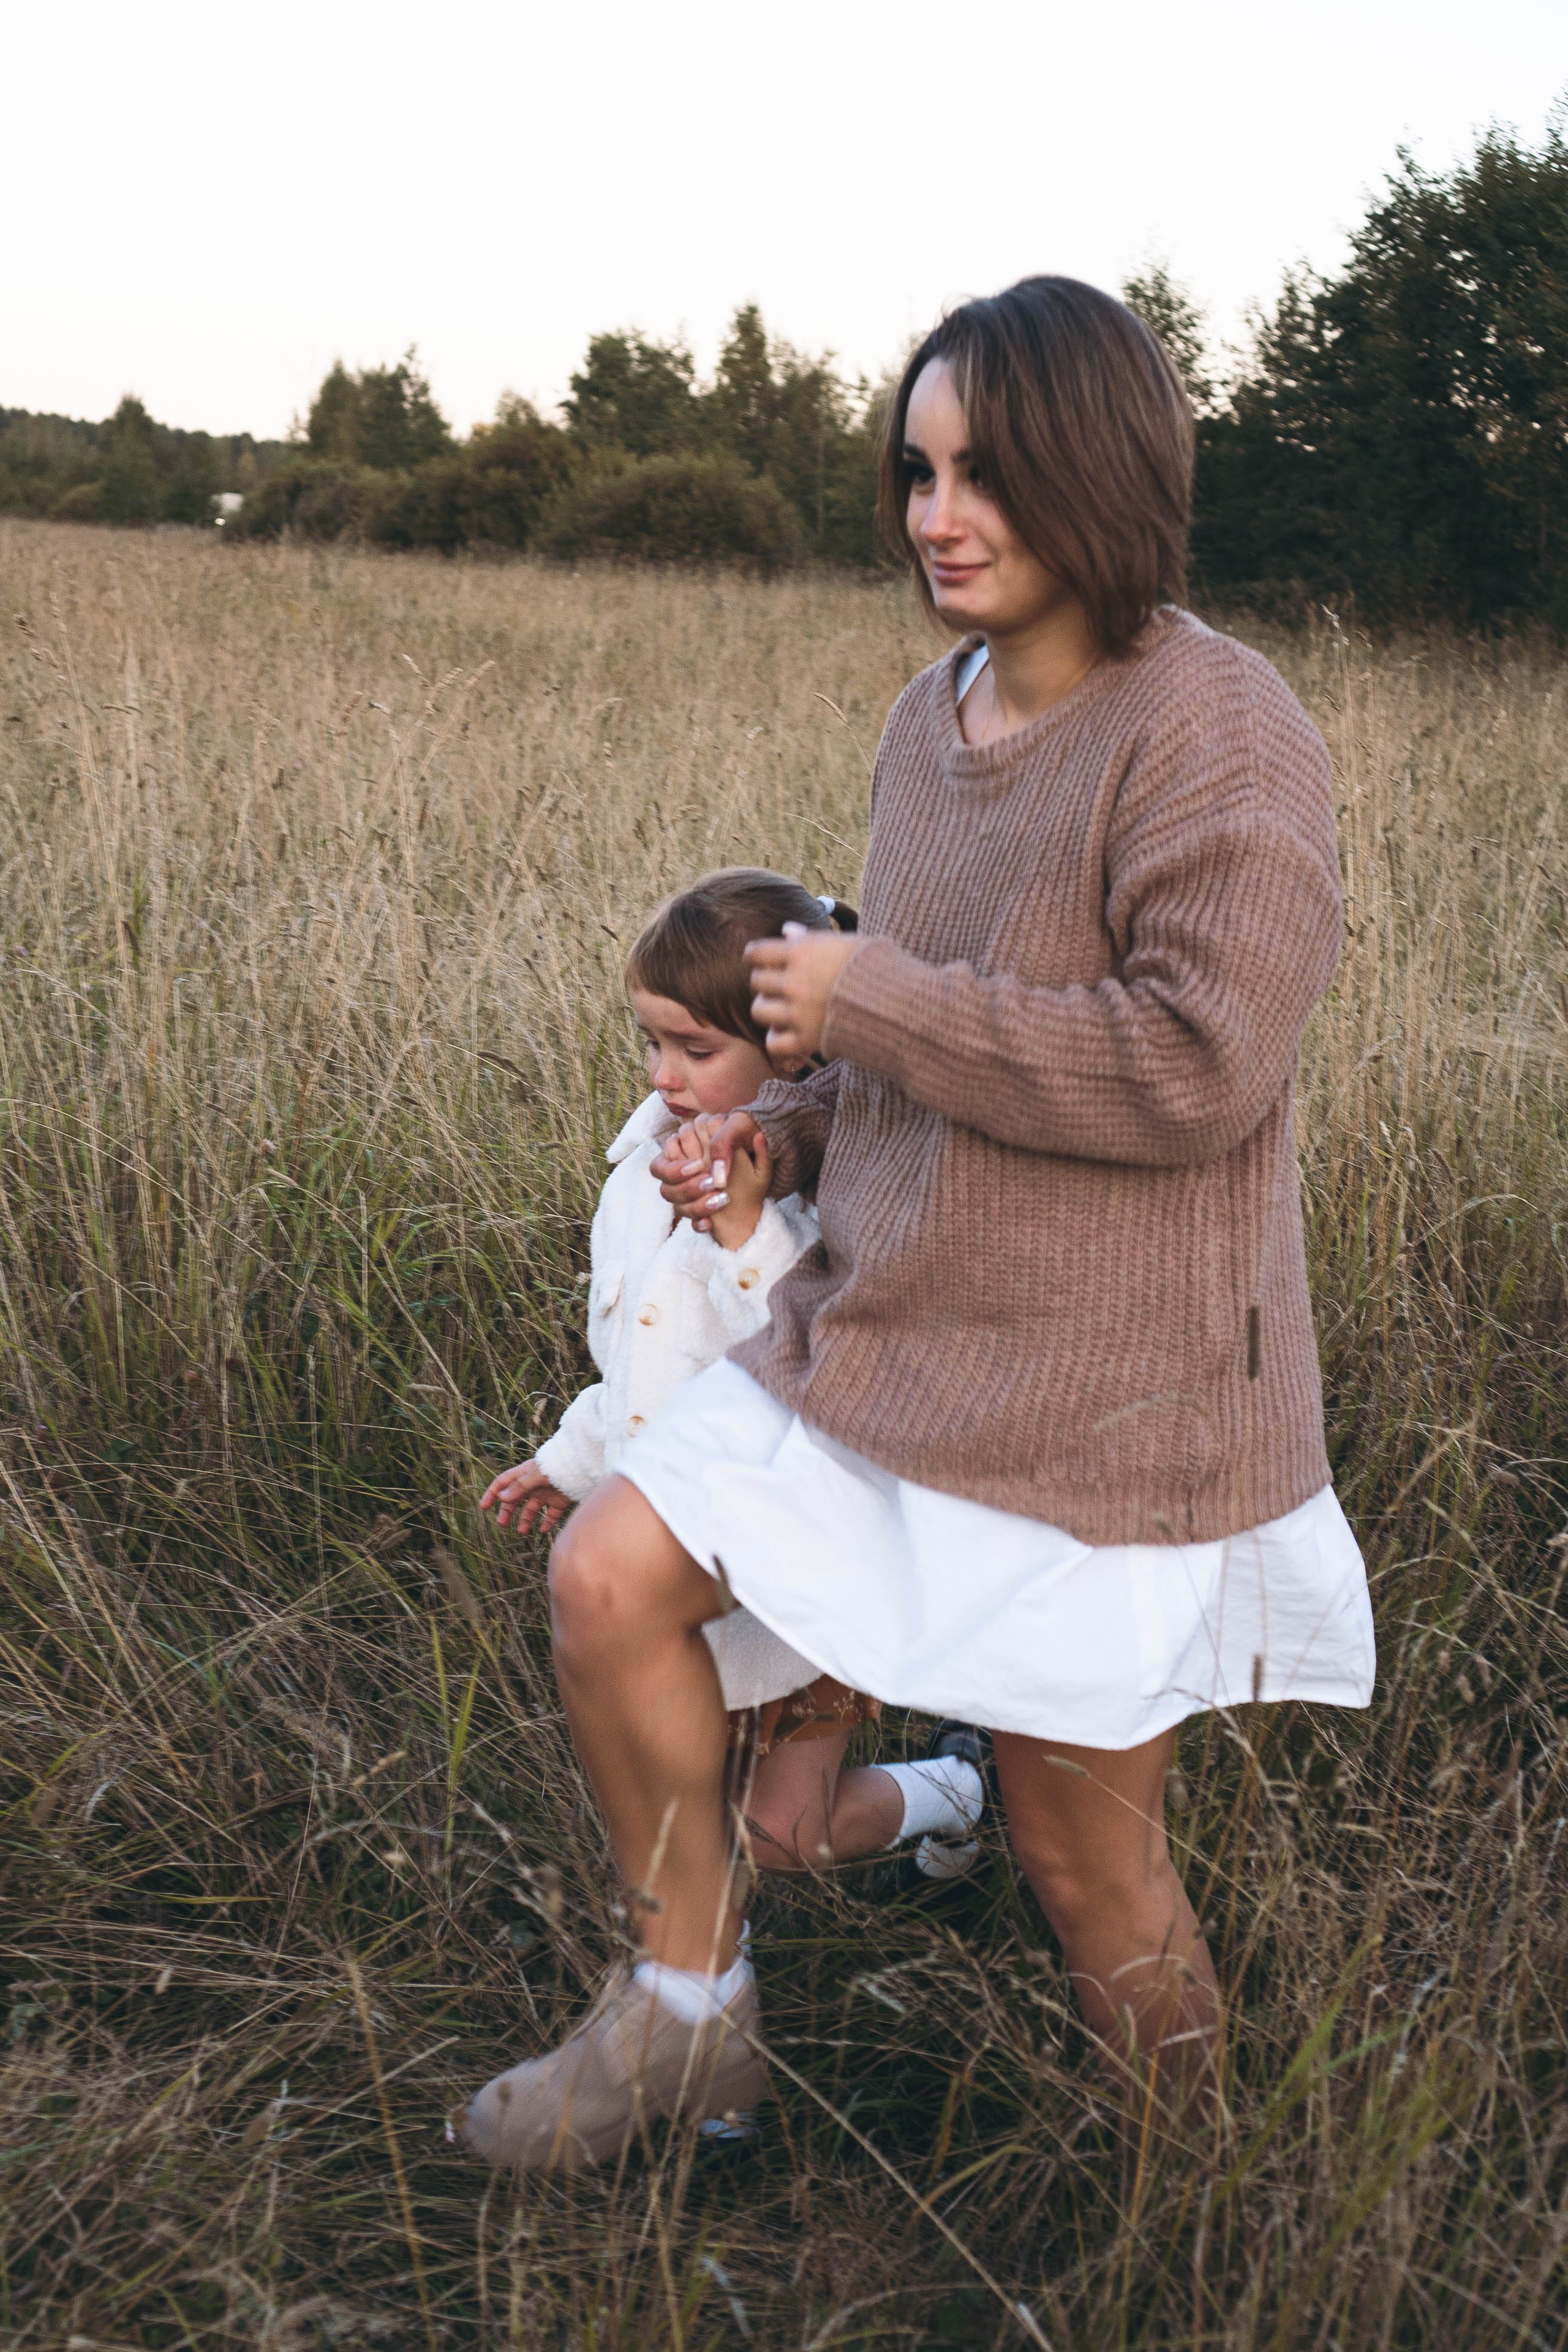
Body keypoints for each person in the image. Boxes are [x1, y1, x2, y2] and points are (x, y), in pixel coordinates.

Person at [451, 276, 1374, 2172]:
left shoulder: (1221, 731)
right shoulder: (923, 716)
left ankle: (1198, 2213)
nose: (935, 516)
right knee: (608, 1581)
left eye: (987, 476)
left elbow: (1201, 1064)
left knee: (1080, 1861)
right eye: (918, 470)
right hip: (884, 1347)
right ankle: (685, 2021)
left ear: (1101, 477)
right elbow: (893, 1038)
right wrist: (782, 1134)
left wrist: (862, 1004)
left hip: (1107, 1408)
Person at [465, 871, 986, 2160]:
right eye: (650, 1042)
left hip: (782, 1602)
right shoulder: (641, 1161)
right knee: (681, 1812)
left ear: (796, 1053)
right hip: (673, 1593)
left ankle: (957, 1790)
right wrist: (567, 1462)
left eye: (696, 1049)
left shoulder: (820, 1189)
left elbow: (802, 1353)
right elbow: (638, 1368)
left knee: (781, 1833)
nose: (665, 1074)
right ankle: (709, 2052)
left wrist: (750, 1226)